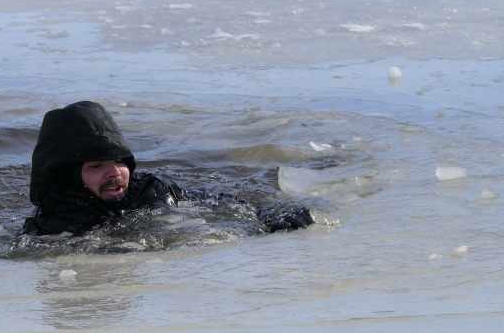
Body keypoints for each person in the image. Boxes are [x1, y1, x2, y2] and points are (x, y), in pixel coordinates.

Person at [21, 101, 314, 236]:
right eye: (96, 166)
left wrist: (270, 214)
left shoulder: (151, 190)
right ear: (68, 175)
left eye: (121, 162)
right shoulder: (49, 227)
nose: (115, 173)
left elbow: (222, 204)